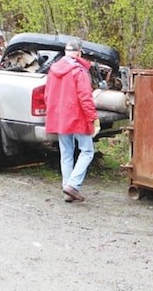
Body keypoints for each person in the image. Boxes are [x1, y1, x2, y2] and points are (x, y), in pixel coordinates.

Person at [44, 38, 100, 203]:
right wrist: (93, 118)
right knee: (87, 151)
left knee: (66, 153)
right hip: (77, 117)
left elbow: (47, 95)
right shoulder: (79, 70)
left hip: (61, 118)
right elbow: (85, 97)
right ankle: (73, 185)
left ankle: (67, 188)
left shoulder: (53, 70)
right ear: (79, 52)